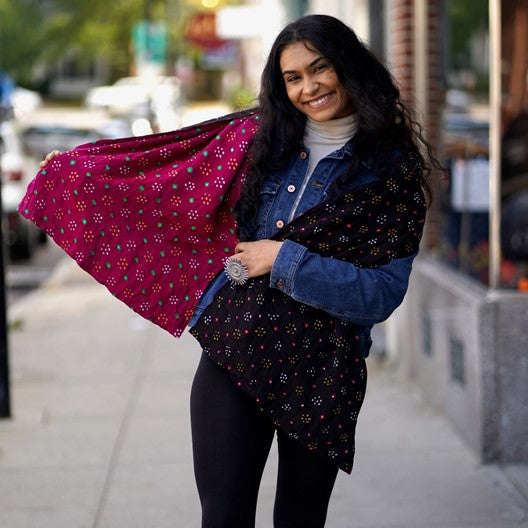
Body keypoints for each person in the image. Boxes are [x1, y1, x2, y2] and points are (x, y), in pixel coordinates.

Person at [35, 14, 437, 528]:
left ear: (348, 67)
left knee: (300, 520)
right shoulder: (259, 139)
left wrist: (283, 259)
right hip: (236, 352)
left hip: (323, 371)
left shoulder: (390, 172)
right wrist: (76, 169)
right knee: (223, 517)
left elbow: (381, 294)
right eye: (293, 77)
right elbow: (165, 174)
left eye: (320, 69)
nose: (310, 87)